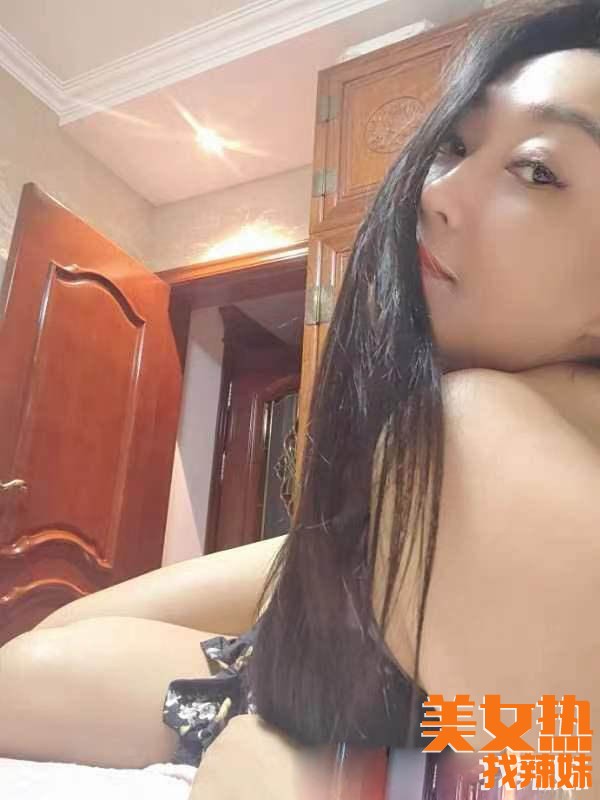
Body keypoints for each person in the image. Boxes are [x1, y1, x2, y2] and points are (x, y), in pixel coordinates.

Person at [2, 0, 600, 796]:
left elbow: (558, 756)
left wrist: (328, 767)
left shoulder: (482, 432)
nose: (437, 193)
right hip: (340, 653)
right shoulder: (454, 441)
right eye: (455, 146)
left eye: (537, 170)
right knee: (33, 666)